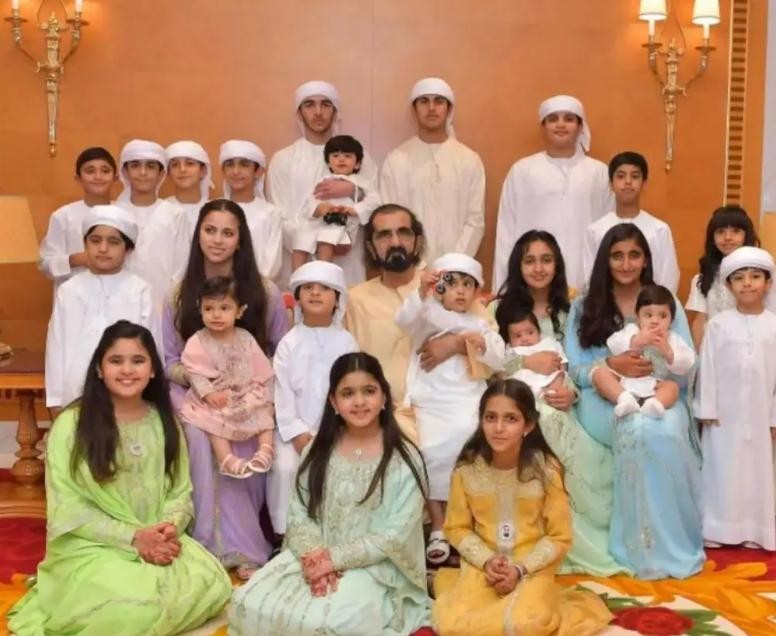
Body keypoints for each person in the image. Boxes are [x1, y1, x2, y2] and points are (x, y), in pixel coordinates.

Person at [8, 320, 232, 636]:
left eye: (138, 360)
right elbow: (69, 507)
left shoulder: (164, 421)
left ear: (152, 370)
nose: (127, 370)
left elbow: (180, 491)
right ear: (99, 369)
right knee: (129, 609)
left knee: (213, 585)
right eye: (116, 361)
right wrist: (133, 538)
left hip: (159, 539)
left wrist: (167, 530)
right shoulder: (72, 425)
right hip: (93, 547)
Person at [228, 352, 431, 636]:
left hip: (375, 568)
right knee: (246, 603)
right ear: (334, 402)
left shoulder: (404, 459)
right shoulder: (318, 450)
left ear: (384, 397)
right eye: (348, 393)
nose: (359, 401)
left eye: (369, 391)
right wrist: (315, 558)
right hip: (310, 556)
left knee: (328, 624)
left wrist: (334, 560)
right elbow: (299, 511)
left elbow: (393, 535)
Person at [565, 222, 704, 579]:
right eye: (617, 255)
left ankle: (671, 545)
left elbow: (686, 366)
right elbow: (575, 370)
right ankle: (631, 547)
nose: (626, 264)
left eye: (634, 255)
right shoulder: (585, 305)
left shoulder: (665, 302)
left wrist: (662, 370)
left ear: (645, 260)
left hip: (661, 392)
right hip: (604, 395)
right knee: (634, 426)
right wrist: (613, 365)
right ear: (605, 260)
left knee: (659, 428)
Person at [162, 198, 288, 578]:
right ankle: (206, 546)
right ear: (198, 235)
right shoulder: (178, 294)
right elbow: (168, 361)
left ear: (240, 240)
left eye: (227, 233)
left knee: (249, 435)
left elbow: (280, 352)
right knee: (200, 437)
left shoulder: (264, 292)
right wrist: (201, 383)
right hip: (193, 393)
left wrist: (246, 388)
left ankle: (246, 547)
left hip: (251, 392)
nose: (218, 240)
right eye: (210, 230)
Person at [491, 230, 627, 576]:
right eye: (530, 260)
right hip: (512, 396)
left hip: (565, 398)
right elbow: (484, 363)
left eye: (546, 260)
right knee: (542, 421)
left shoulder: (572, 310)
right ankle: (531, 536)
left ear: (557, 265)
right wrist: (525, 362)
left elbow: (583, 362)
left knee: (587, 446)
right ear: (518, 265)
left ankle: (576, 534)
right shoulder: (498, 309)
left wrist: (572, 392)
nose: (538, 268)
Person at [432, 379, 612, 635]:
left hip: (531, 566)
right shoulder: (466, 470)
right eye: (490, 417)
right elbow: (456, 528)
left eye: (511, 419)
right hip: (483, 565)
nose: (498, 428)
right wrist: (487, 561)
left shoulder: (545, 471)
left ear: (528, 425)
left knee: (527, 623)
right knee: (454, 625)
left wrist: (519, 569)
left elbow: (559, 536)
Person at [346, 205, 493, 437]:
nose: (395, 242)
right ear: (371, 248)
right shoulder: (353, 300)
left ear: (418, 242)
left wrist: (458, 344)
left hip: (454, 413)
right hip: (383, 421)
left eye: (404, 233)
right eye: (384, 235)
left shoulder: (450, 287)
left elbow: (495, 351)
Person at [395, 252, 504, 564]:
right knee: (430, 449)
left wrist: (478, 345)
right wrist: (420, 291)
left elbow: (498, 358)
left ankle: (469, 524)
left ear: (476, 292)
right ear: (439, 287)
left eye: (467, 285)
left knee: (471, 440)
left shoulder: (480, 323)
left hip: (468, 398)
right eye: (452, 283)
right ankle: (438, 525)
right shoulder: (427, 314)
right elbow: (403, 320)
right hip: (431, 401)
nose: (459, 291)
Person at [694, 246, 776, 551]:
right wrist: (708, 408)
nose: (747, 283)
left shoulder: (774, 325)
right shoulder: (718, 325)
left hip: (760, 413)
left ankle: (756, 530)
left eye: (755, 277)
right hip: (723, 416)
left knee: (757, 472)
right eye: (739, 278)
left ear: (767, 283)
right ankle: (717, 529)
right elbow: (708, 367)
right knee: (722, 469)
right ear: (729, 286)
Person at [267, 260, 357, 535]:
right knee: (285, 468)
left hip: (337, 430)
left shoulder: (347, 342)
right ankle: (285, 535)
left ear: (337, 299)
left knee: (343, 468)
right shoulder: (288, 343)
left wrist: (335, 431)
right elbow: (281, 392)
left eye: (324, 288)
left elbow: (351, 389)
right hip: (292, 432)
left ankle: (334, 534)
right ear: (298, 298)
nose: (315, 293)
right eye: (308, 288)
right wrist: (297, 433)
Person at [493, 95, 612, 290]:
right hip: (532, 280)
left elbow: (608, 231)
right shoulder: (522, 171)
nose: (561, 124)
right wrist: (503, 291)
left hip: (585, 279)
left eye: (569, 119)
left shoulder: (598, 173)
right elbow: (506, 232)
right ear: (543, 127)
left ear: (580, 127)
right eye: (553, 119)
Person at [45, 205, 158, 412]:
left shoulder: (140, 290)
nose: (103, 249)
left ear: (128, 249)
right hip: (75, 394)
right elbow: (56, 346)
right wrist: (55, 400)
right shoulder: (69, 290)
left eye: (113, 242)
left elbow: (153, 346)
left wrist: (151, 396)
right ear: (85, 244)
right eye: (95, 241)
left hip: (129, 392)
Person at [267, 80, 379, 286]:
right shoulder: (283, 159)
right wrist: (311, 243)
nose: (318, 112)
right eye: (309, 105)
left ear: (335, 112)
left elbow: (376, 204)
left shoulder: (358, 155)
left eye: (326, 105)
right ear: (299, 112)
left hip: (348, 257)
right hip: (300, 255)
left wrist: (354, 189)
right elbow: (279, 215)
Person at [380, 77, 485, 264]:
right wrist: (414, 266)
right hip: (408, 268)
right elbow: (390, 220)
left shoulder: (469, 160)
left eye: (438, 101)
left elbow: (475, 220)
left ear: (449, 109)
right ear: (414, 110)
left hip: (457, 269)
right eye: (424, 101)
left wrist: (455, 263)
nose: (431, 108)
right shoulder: (396, 160)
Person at [180, 276, 275, 479]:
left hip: (245, 390)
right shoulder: (198, 341)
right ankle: (226, 459)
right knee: (210, 416)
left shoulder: (246, 338)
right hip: (218, 394)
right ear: (200, 309)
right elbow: (194, 372)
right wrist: (209, 394)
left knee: (264, 408)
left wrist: (263, 392)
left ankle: (265, 449)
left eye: (224, 308)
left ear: (239, 311)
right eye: (209, 308)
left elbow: (262, 369)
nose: (216, 315)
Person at [593, 284, 695, 418]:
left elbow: (688, 362)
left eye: (663, 316)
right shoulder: (632, 330)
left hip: (655, 386)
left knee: (673, 388)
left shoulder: (672, 338)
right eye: (648, 315)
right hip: (625, 382)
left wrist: (668, 351)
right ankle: (624, 399)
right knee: (599, 373)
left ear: (671, 320)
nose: (655, 321)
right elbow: (612, 343)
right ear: (638, 317)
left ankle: (654, 404)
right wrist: (636, 341)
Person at [582, 151, 679, 293]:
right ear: (611, 184)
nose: (628, 182)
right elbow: (589, 278)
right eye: (621, 176)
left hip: (650, 304)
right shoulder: (595, 230)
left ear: (644, 183)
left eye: (635, 176)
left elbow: (668, 278)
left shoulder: (659, 230)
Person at [292, 134, 380, 269]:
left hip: (342, 226)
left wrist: (355, 210)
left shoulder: (362, 183)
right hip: (320, 223)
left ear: (357, 164)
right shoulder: (323, 181)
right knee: (301, 239)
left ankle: (324, 272)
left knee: (326, 239)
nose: (341, 159)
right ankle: (297, 275)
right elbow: (310, 201)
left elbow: (375, 201)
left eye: (347, 156)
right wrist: (319, 208)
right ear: (328, 163)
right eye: (335, 156)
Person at [38, 146, 117, 293]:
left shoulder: (124, 215)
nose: (98, 176)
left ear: (115, 178)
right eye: (90, 171)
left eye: (105, 171)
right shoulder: (63, 216)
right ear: (79, 179)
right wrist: (77, 259)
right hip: (74, 297)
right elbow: (45, 264)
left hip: (118, 294)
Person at [686, 205, 765, 349]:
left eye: (735, 231)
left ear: (746, 235)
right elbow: (700, 320)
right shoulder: (703, 278)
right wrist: (700, 356)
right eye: (721, 231)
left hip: (754, 347)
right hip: (714, 348)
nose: (727, 237)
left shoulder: (762, 275)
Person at [116, 139, 183, 308]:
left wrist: (171, 305)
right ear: (125, 172)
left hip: (163, 305)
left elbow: (182, 267)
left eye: (150, 166)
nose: (143, 172)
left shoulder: (175, 214)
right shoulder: (113, 213)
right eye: (135, 166)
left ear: (161, 174)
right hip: (119, 302)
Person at [219, 139, 283, 281]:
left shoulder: (271, 213)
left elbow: (272, 265)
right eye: (230, 164)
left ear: (258, 172)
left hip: (257, 287)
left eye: (244, 165)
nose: (236, 171)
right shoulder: (213, 210)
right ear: (223, 171)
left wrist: (253, 286)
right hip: (217, 288)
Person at [165, 140, 214, 275]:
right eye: (175, 165)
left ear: (203, 171)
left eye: (190, 163)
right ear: (168, 173)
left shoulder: (215, 211)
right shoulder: (161, 211)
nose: (182, 170)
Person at [503, 310, 567, 400]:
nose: (525, 338)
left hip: (549, 380)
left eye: (530, 333)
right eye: (518, 336)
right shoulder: (511, 350)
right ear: (509, 339)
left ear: (538, 332)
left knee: (560, 375)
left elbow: (562, 361)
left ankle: (552, 392)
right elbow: (505, 366)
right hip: (524, 385)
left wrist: (561, 371)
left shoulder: (548, 343)